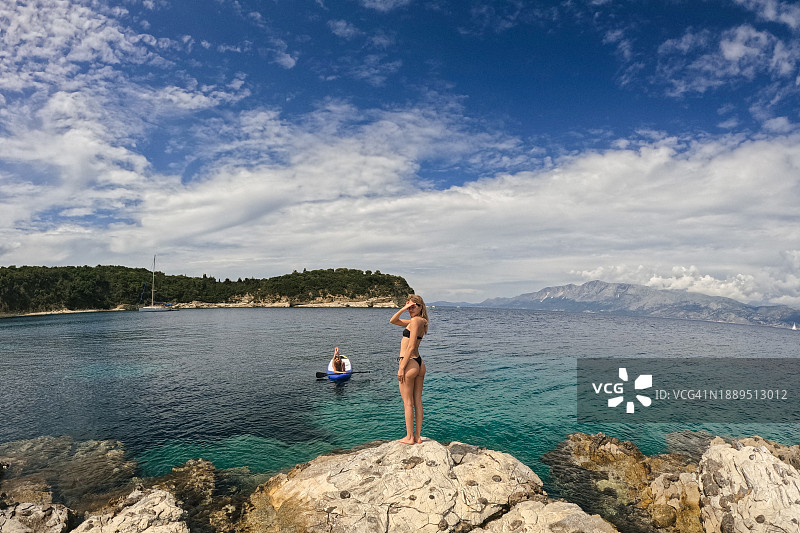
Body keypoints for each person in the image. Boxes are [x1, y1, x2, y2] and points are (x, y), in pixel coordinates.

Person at [390, 294, 428, 445]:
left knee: (407, 403)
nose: (410, 310)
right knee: (417, 400)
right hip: (419, 363)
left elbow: (411, 346)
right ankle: (418, 436)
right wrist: (405, 307)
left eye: (413, 307)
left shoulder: (415, 320)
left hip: (409, 362)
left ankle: (409, 437)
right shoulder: (420, 321)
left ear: (420, 307)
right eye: (409, 307)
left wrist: (401, 367)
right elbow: (393, 321)